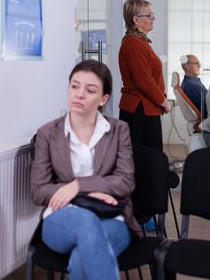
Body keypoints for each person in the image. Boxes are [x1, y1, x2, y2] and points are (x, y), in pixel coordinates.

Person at [30, 60, 141, 279]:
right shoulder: (47, 133)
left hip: (112, 218)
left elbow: (125, 182)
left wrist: (79, 186)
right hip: (61, 219)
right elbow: (38, 191)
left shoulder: (119, 130)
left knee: (82, 259)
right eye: (74, 86)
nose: (79, 94)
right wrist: (91, 193)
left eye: (90, 90)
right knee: (85, 221)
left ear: (103, 99)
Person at [118, 0, 171, 151]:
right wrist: (163, 101)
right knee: (144, 160)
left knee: (148, 160)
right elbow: (143, 81)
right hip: (140, 110)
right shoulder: (133, 43)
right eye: (149, 16)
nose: (153, 19)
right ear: (136, 20)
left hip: (146, 108)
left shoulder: (140, 42)